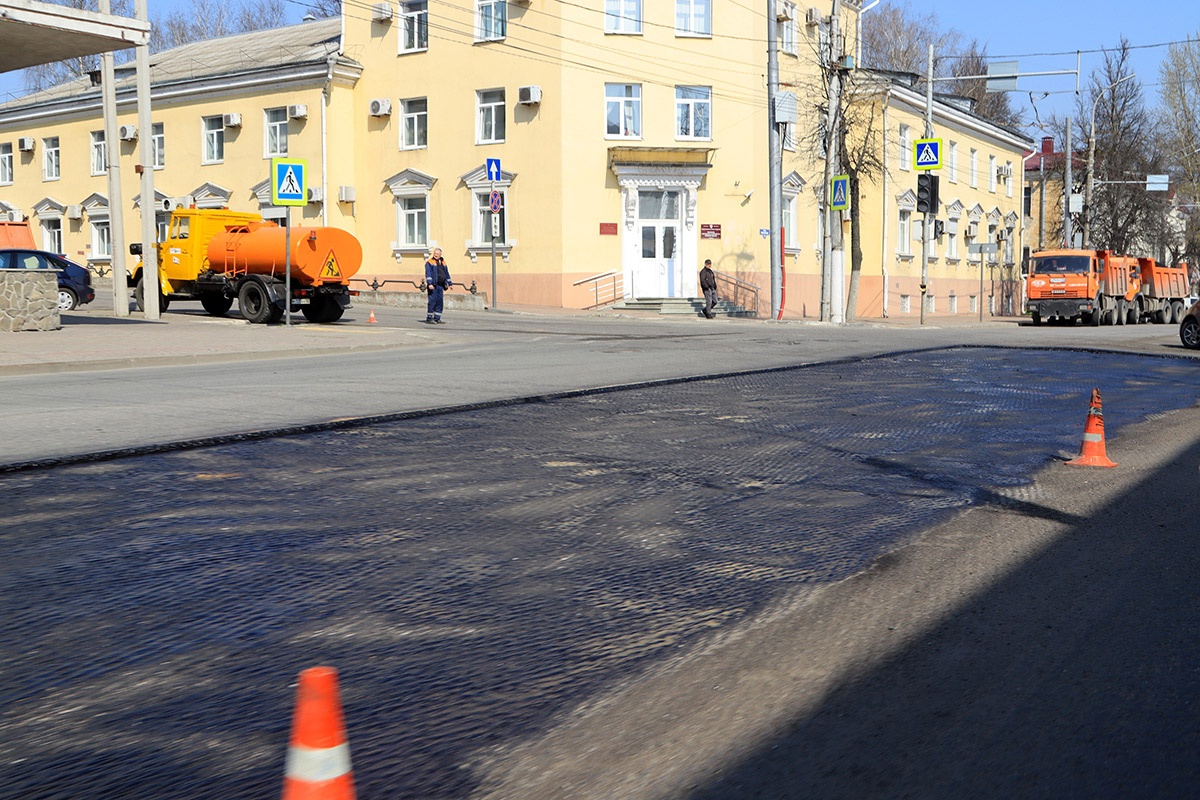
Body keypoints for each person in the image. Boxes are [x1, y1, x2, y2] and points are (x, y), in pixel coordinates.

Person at [424, 247, 452, 324]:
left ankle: (437, 318)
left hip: (441, 285)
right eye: (435, 254)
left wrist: (450, 283)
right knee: (432, 301)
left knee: (439, 302)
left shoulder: (443, 262)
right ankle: (429, 318)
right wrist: (430, 283)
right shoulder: (430, 262)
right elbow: (428, 274)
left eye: (437, 254)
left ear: (440, 254)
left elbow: (446, 273)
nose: (436, 255)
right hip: (433, 285)